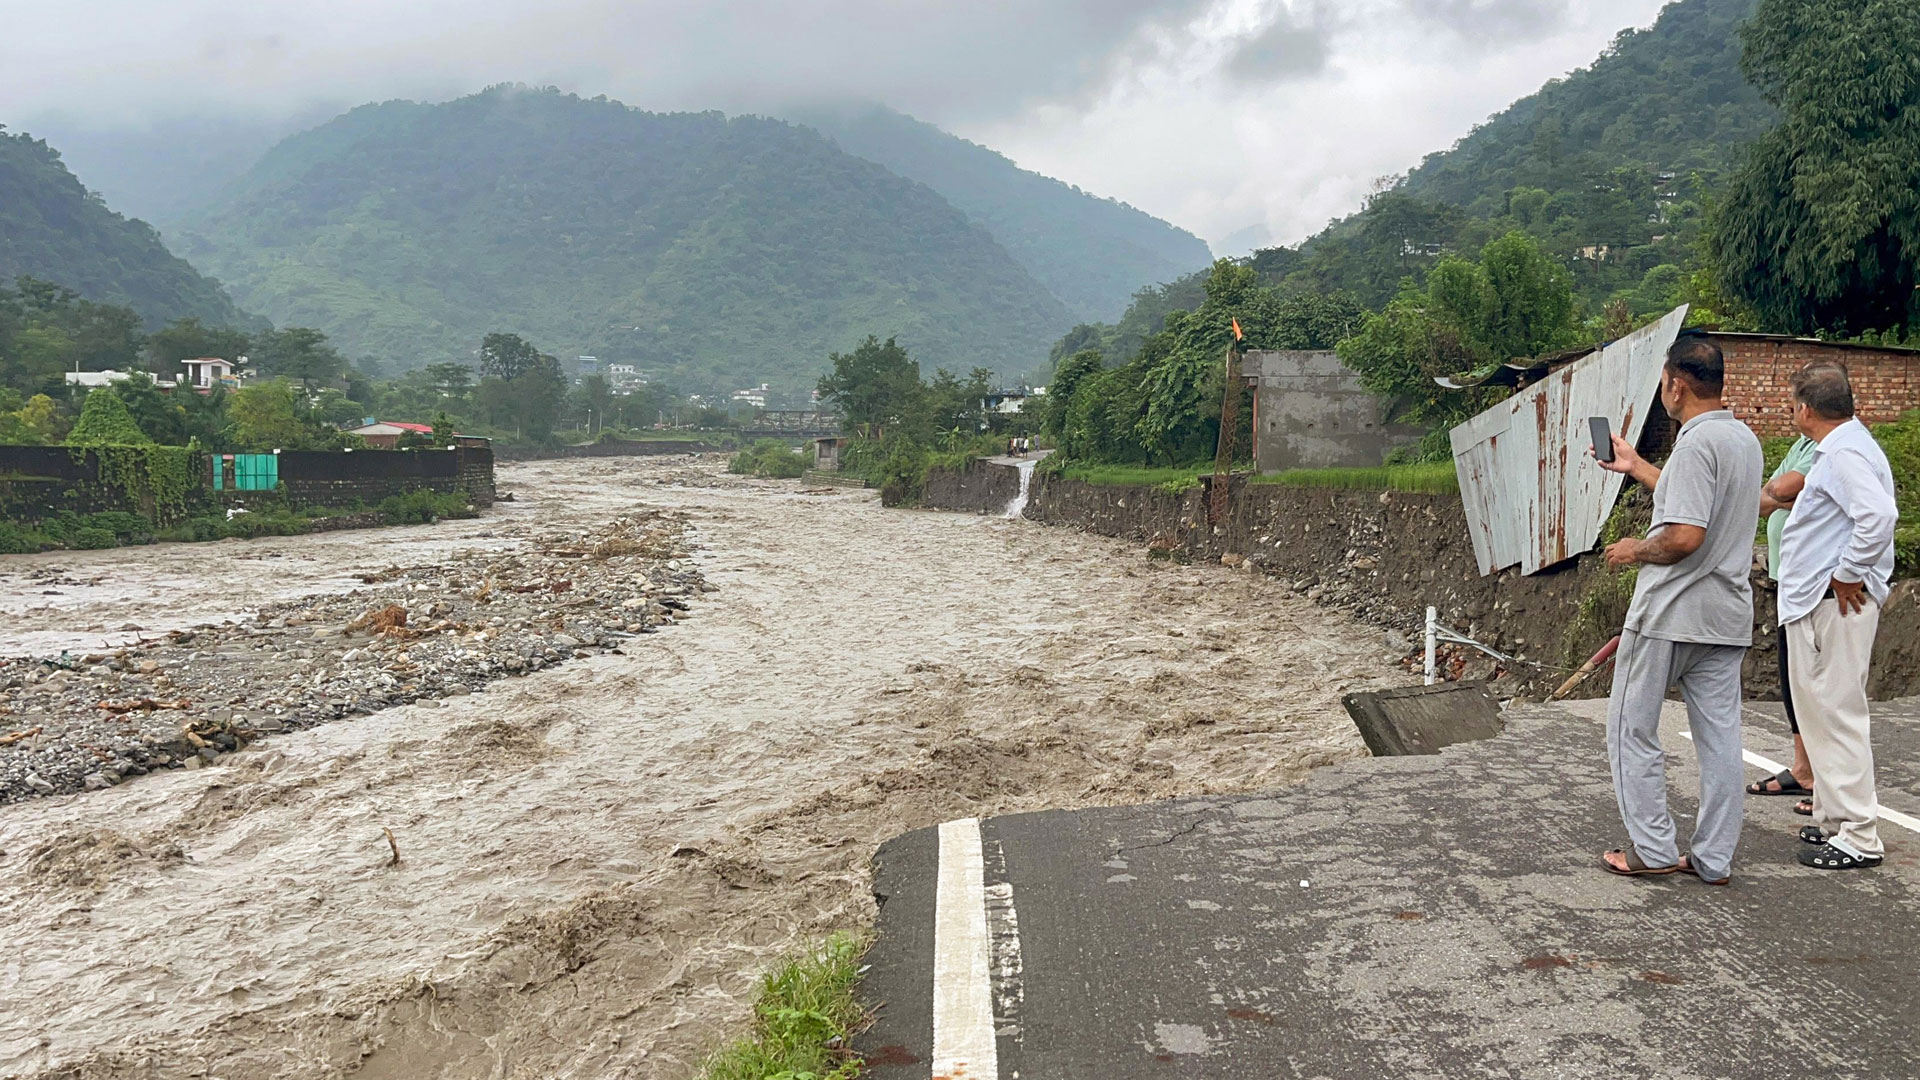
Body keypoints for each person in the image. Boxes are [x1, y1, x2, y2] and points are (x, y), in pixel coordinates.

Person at [1592, 337, 1763, 885]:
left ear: (1676, 384)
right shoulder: (1743, 440)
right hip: (1726, 616)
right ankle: (1713, 859)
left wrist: (1631, 550)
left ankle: (1652, 847)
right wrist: (1637, 465)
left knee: (1631, 730)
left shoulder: (1694, 445)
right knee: (1720, 743)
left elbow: (1685, 534)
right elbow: (1700, 505)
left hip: (1669, 614)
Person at [1776, 363, 1899, 870]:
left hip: (1835, 604)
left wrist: (1848, 572)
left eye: (1791, 404)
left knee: (1837, 713)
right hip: (1820, 602)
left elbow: (1878, 516)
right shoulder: (1846, 445)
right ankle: (1834, 817)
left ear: (1805, 409)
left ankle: (1860, 836)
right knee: (1820, 713)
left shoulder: (1845, 451)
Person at [1745, 423, 1820, 801]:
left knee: (1813, 684)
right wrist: (1782, 498)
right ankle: (1804, 768)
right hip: (1787, 578)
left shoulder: (1828, 445)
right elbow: (1765, 498)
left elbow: (1781, 492)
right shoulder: (1801, 444)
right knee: (1793, 679)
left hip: (1811, 583)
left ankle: (1827, 781)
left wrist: (1783, 497)